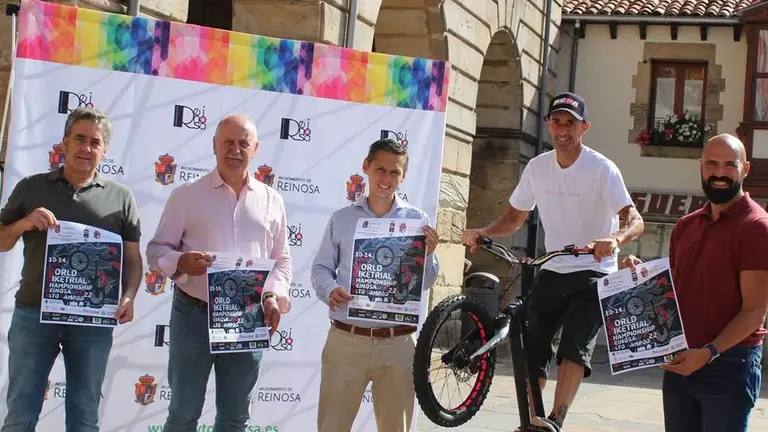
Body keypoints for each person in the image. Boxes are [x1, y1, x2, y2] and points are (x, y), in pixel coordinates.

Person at [461, 92, 645, 431]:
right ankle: (536, 420)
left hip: (594, 271)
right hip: (553, 267)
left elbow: (634, 219)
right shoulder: (537, 168)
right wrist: (483, 232)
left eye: (570, 123)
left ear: (584, 127)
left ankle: (557, 418)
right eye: (557, 122)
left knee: (574, 347)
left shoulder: (601, 168)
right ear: (548, 125)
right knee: (533, 350)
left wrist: (614, 239)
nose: (563, 130)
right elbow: (515, 218)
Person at [145, 114, 292, 431]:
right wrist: (180, 263)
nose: (235, 150)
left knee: (236, 417)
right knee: (183, 413)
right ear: (214, 145)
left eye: (243, 143)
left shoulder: (273, 201)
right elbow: (156, 250)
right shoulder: (186, 195)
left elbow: (281, 261)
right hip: (194, 315)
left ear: (255, 149)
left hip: (248, 317)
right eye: (228, 142)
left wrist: (272, 296)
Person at [0, 107, 143, 431]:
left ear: (104, 150)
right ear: (64, 142)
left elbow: (133, 259)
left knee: (84, 416)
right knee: (20, 414)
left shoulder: (122, 198)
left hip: (92, 321)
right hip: (34, 315)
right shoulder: (30, 187)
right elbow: (2, 241)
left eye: (95, 142)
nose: (86, 148)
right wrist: (24, 223)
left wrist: (129, 296)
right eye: (79, 139)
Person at [622, 134, 768, 432]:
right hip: (682, 359)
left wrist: (709, 353)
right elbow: (675, 289)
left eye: (730, 165)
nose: (719, 172)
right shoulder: (686, 226)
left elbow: (755, 311)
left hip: (728, 363)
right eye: (712, 163)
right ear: (701, 167)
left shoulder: (757, 227)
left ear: (745, 170)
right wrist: (644, 277)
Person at [311, 138, 440, 432]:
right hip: (347, 339)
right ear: (366, 168)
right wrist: (330, 290)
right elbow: (320, 268)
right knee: (332, 426)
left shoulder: (418, 221)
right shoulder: (342, 219)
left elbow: (426, 282)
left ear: (403, 176)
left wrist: (429, 255)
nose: (386, 179)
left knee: (396, 427)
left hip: (398, 341)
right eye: (380, 169)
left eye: (394, 172)